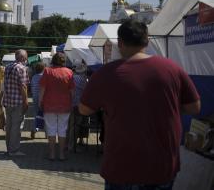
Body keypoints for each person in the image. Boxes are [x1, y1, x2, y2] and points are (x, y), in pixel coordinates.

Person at [79, 20, 201, 190]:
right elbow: (194, 107)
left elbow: (84, 109)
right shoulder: (172, 68)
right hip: (162, 166)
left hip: (121, 167)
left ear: (119, 43)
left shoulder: (105, 74)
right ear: (147, 41)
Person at [39, 52, 74, 161]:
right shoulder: (69, 72)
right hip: (65, 105)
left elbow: (42, 89)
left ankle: (52, 154)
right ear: (64, 61)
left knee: (51, 129)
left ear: (53, 60)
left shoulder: (47, 71)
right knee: (63, 130)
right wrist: (72, 103)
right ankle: (62, 155)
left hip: (49, 104)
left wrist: (40, 102)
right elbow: (72, 91)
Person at [1, 49, 29, 156]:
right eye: (26, 57)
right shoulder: (22, 68)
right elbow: (23, 87)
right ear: (22, 58)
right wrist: (26, 101)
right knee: (16, 127)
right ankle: (14, 150)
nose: (26, 59)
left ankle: (9, 148)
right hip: (18, 102)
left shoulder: (8, 67)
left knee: (9, 126)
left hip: (8, 101)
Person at [68, 62, 89, 149]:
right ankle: (73, 145)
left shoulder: (71, 77)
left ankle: (68, 144)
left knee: (70, 125)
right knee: (77, 125)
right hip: (79, 104)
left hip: (70, 104)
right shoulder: (83, 79)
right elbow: (86, 91)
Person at [30, 62, 45, 139]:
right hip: (43, 98)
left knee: (36, 114)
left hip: (35, 97)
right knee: (45, 115)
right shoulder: (44, 77)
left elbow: (31, 87)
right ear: (43, 69)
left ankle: (34, 129)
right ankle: (47, 133)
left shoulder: (34, 77)